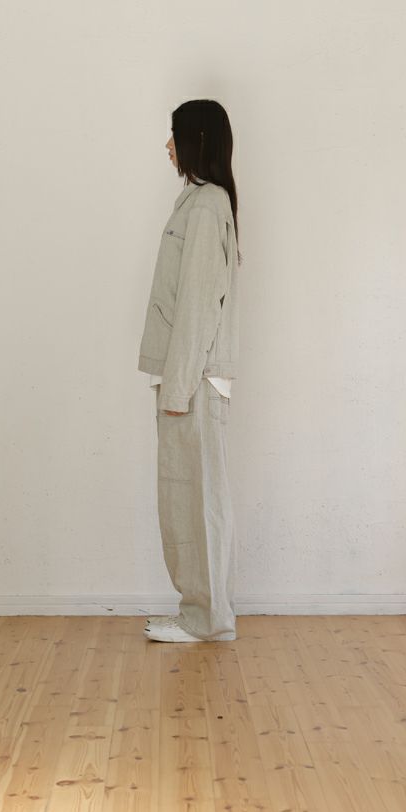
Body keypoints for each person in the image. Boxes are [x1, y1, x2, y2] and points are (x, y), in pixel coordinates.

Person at [137, 99, 242, 642]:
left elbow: (200, 304)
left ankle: (205, 619)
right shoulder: (200, 201)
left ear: (196, 139)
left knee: (196, 501)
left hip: (193, 380)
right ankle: (201, 613)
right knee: (189, 499)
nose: (167, 146)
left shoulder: (205, 207)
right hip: (191, 377)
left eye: (173, 135)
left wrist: (176, 389)